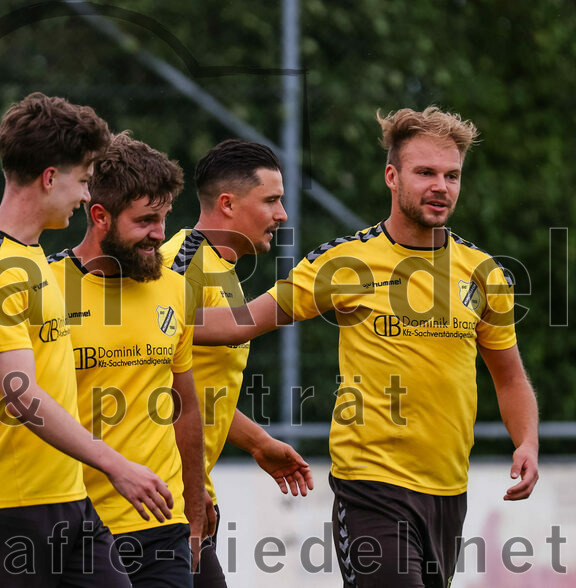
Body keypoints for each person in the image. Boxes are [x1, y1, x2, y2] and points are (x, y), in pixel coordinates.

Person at [195, 107, 539, 587]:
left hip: (447, 491)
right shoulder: (346, 263)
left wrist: (527, 440)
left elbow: (510, 377)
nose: (441, 186)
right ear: (392, 176)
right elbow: (242, 321)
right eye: (425, 173)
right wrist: (151, 324)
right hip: (371, 486)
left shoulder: (485, 273)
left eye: (452, 175)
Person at [0, 93, 173, 587]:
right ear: (51, 177)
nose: (86, 196)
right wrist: (117, 465)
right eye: (84, 181)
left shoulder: (34, 261)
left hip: (70, 503)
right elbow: (21, 393)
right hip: (5, 511)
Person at [47, 132, 205, 586]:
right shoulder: (48, 288)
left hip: (162, 526)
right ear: (100, 216)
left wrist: (193, 513)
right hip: (77, 528)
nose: (160, 234)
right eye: (146, 221)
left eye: (165, 218)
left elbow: (186, 407)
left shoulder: (174, 288)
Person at [159, 139, 314, 587]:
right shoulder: (180, 266)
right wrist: (188, 490)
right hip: (161, 498)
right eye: (271, 200)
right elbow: (144, 381)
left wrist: (258, 442)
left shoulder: (221, 270)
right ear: (227, 204)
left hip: (188, 493)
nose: (281, 214)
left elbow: (196, 389)